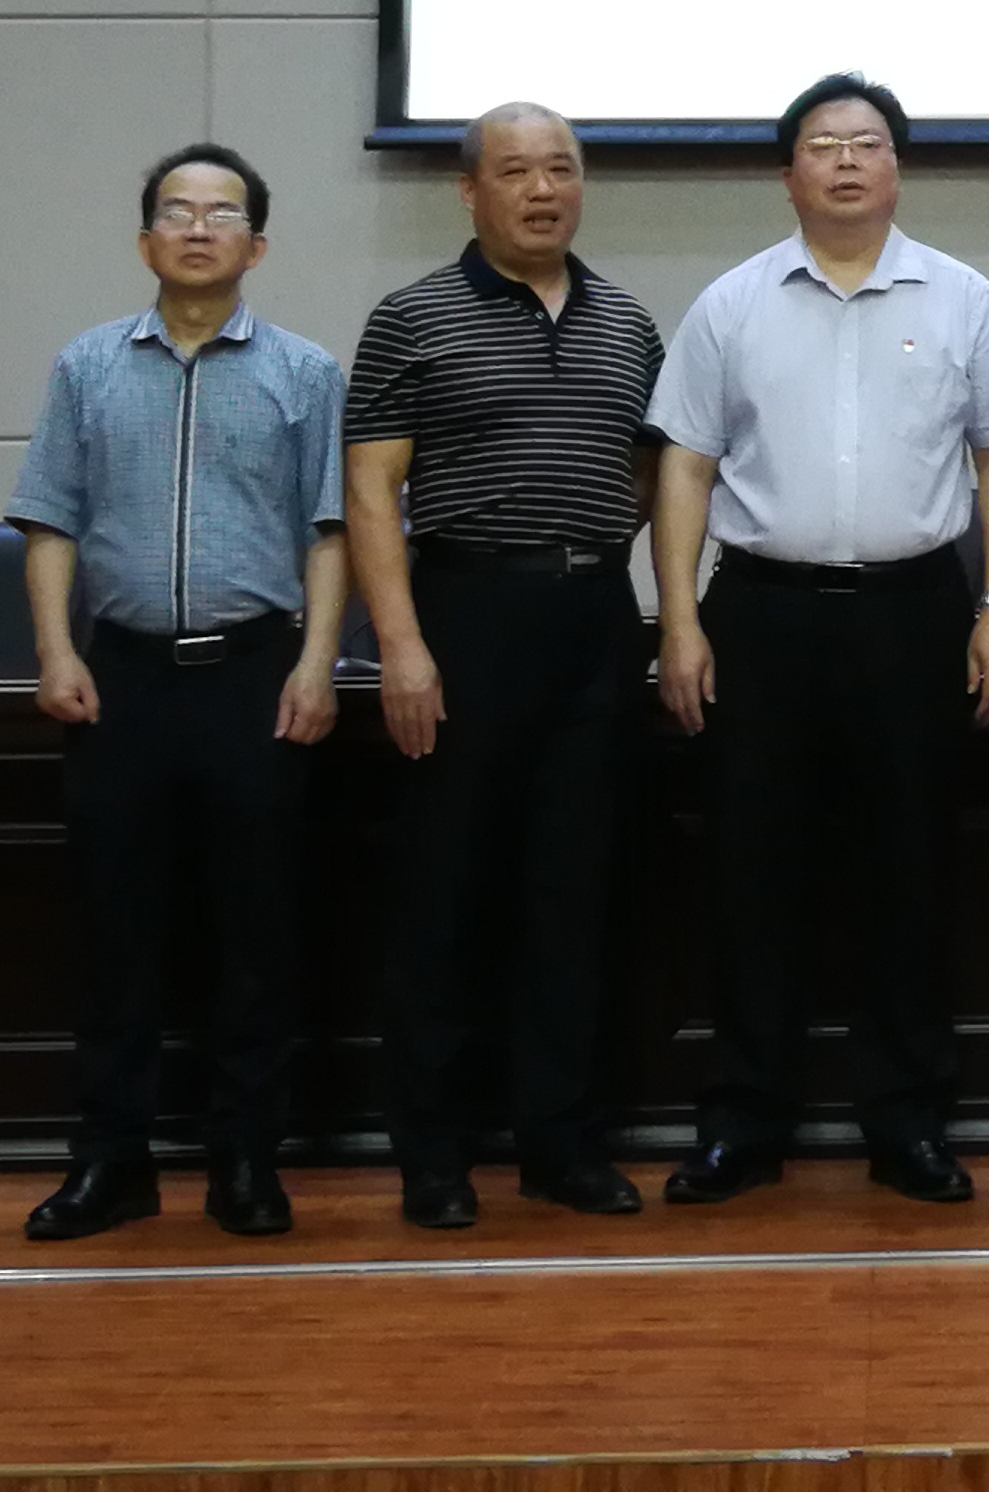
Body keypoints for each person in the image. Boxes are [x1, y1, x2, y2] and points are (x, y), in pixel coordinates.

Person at [651, 74, 989, 1206]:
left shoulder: (961, 299)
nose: (847, 162)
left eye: (867, 144)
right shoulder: (731, 304)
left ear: (897, 167)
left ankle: (908, 1123)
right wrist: (679, 619)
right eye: (824, 145)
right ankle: (742, 1122)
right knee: (751, 874)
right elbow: (684, 467)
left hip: (915, 615)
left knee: (910, 874)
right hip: (761, 617)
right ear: (788, 173)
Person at [12, 142, 349, 1244]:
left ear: (258, 245)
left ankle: (245, 1162)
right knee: (116, 937)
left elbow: (331, 531)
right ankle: (109, 1163)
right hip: (122, 683)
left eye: (222, 213)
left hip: (255, 679)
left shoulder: (306, 373)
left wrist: (315, 663)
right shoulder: (87, 365)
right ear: (145, 238)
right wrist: (57, 653)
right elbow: (49, 519)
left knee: (255, 937)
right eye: (177, 210)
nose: (198, 228)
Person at [344, 101, 668, 1230]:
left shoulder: (628, 323)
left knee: (571, 895)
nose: (542, 190)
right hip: (463, 616)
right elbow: (370, 491)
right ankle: (433, 1157)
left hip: (593, 620)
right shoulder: (411, 316)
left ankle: (559, 1146)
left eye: (561, 170)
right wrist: (400, 645)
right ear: (469, 190)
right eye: (517, 171)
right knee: (446, 897)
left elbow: (647, 476)